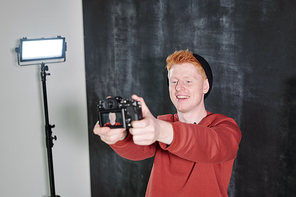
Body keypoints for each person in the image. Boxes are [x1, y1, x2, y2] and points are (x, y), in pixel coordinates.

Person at [93, 49, 242, 197]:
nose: (178, 88)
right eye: (174, 81)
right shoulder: (163, 122)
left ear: (205, 86)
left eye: (188, 81)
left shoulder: (225, 126)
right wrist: (119, 137)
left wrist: (161, 131)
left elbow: (212, 145)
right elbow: (136, 149)